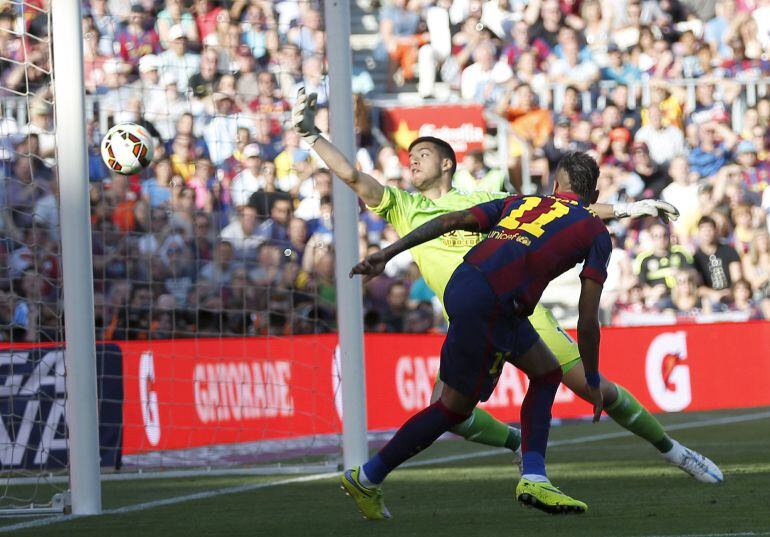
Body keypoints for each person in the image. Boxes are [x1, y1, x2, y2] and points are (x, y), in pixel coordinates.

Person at [292, 87, 722, 503]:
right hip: (472, 312)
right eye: (410, 156)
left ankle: (675, 451)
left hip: (520, 310)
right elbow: (350, 175)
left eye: (422, 154)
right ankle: (522, 446)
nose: (412, 162)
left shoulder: (489, 198)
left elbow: (563, 212)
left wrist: (629, 208)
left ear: (447, 164)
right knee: (449, 410)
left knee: (593, 391)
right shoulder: (404, 207)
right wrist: (312, 135)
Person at [342, 151, 611, 517]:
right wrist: (592, 378)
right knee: (453, 408)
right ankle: (368, 476)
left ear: (554, 187)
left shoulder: (524, 202)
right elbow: (587, 319)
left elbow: (451, 220)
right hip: (494, 302)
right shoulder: (596, 231)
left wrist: (388, 253)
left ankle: (535, 475)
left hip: (468, 286)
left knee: (547, 373)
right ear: (593, 196)